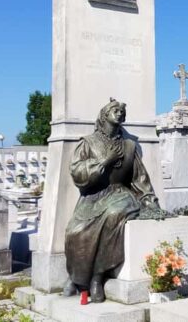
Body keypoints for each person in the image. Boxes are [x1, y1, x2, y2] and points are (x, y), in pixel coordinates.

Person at [62, 98, 166, 302]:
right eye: (114, 110)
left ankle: (97, 277)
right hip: (93, 196)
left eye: (121, 111)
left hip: (120, 194)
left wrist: (149, 199)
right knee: (74, 230)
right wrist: (104, 161)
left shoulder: (129, 145)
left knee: (114, 215)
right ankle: (77, 277)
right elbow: (77, 172)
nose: (119, 113)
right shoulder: (88, 142)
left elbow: (139, 177)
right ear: (104, 115)